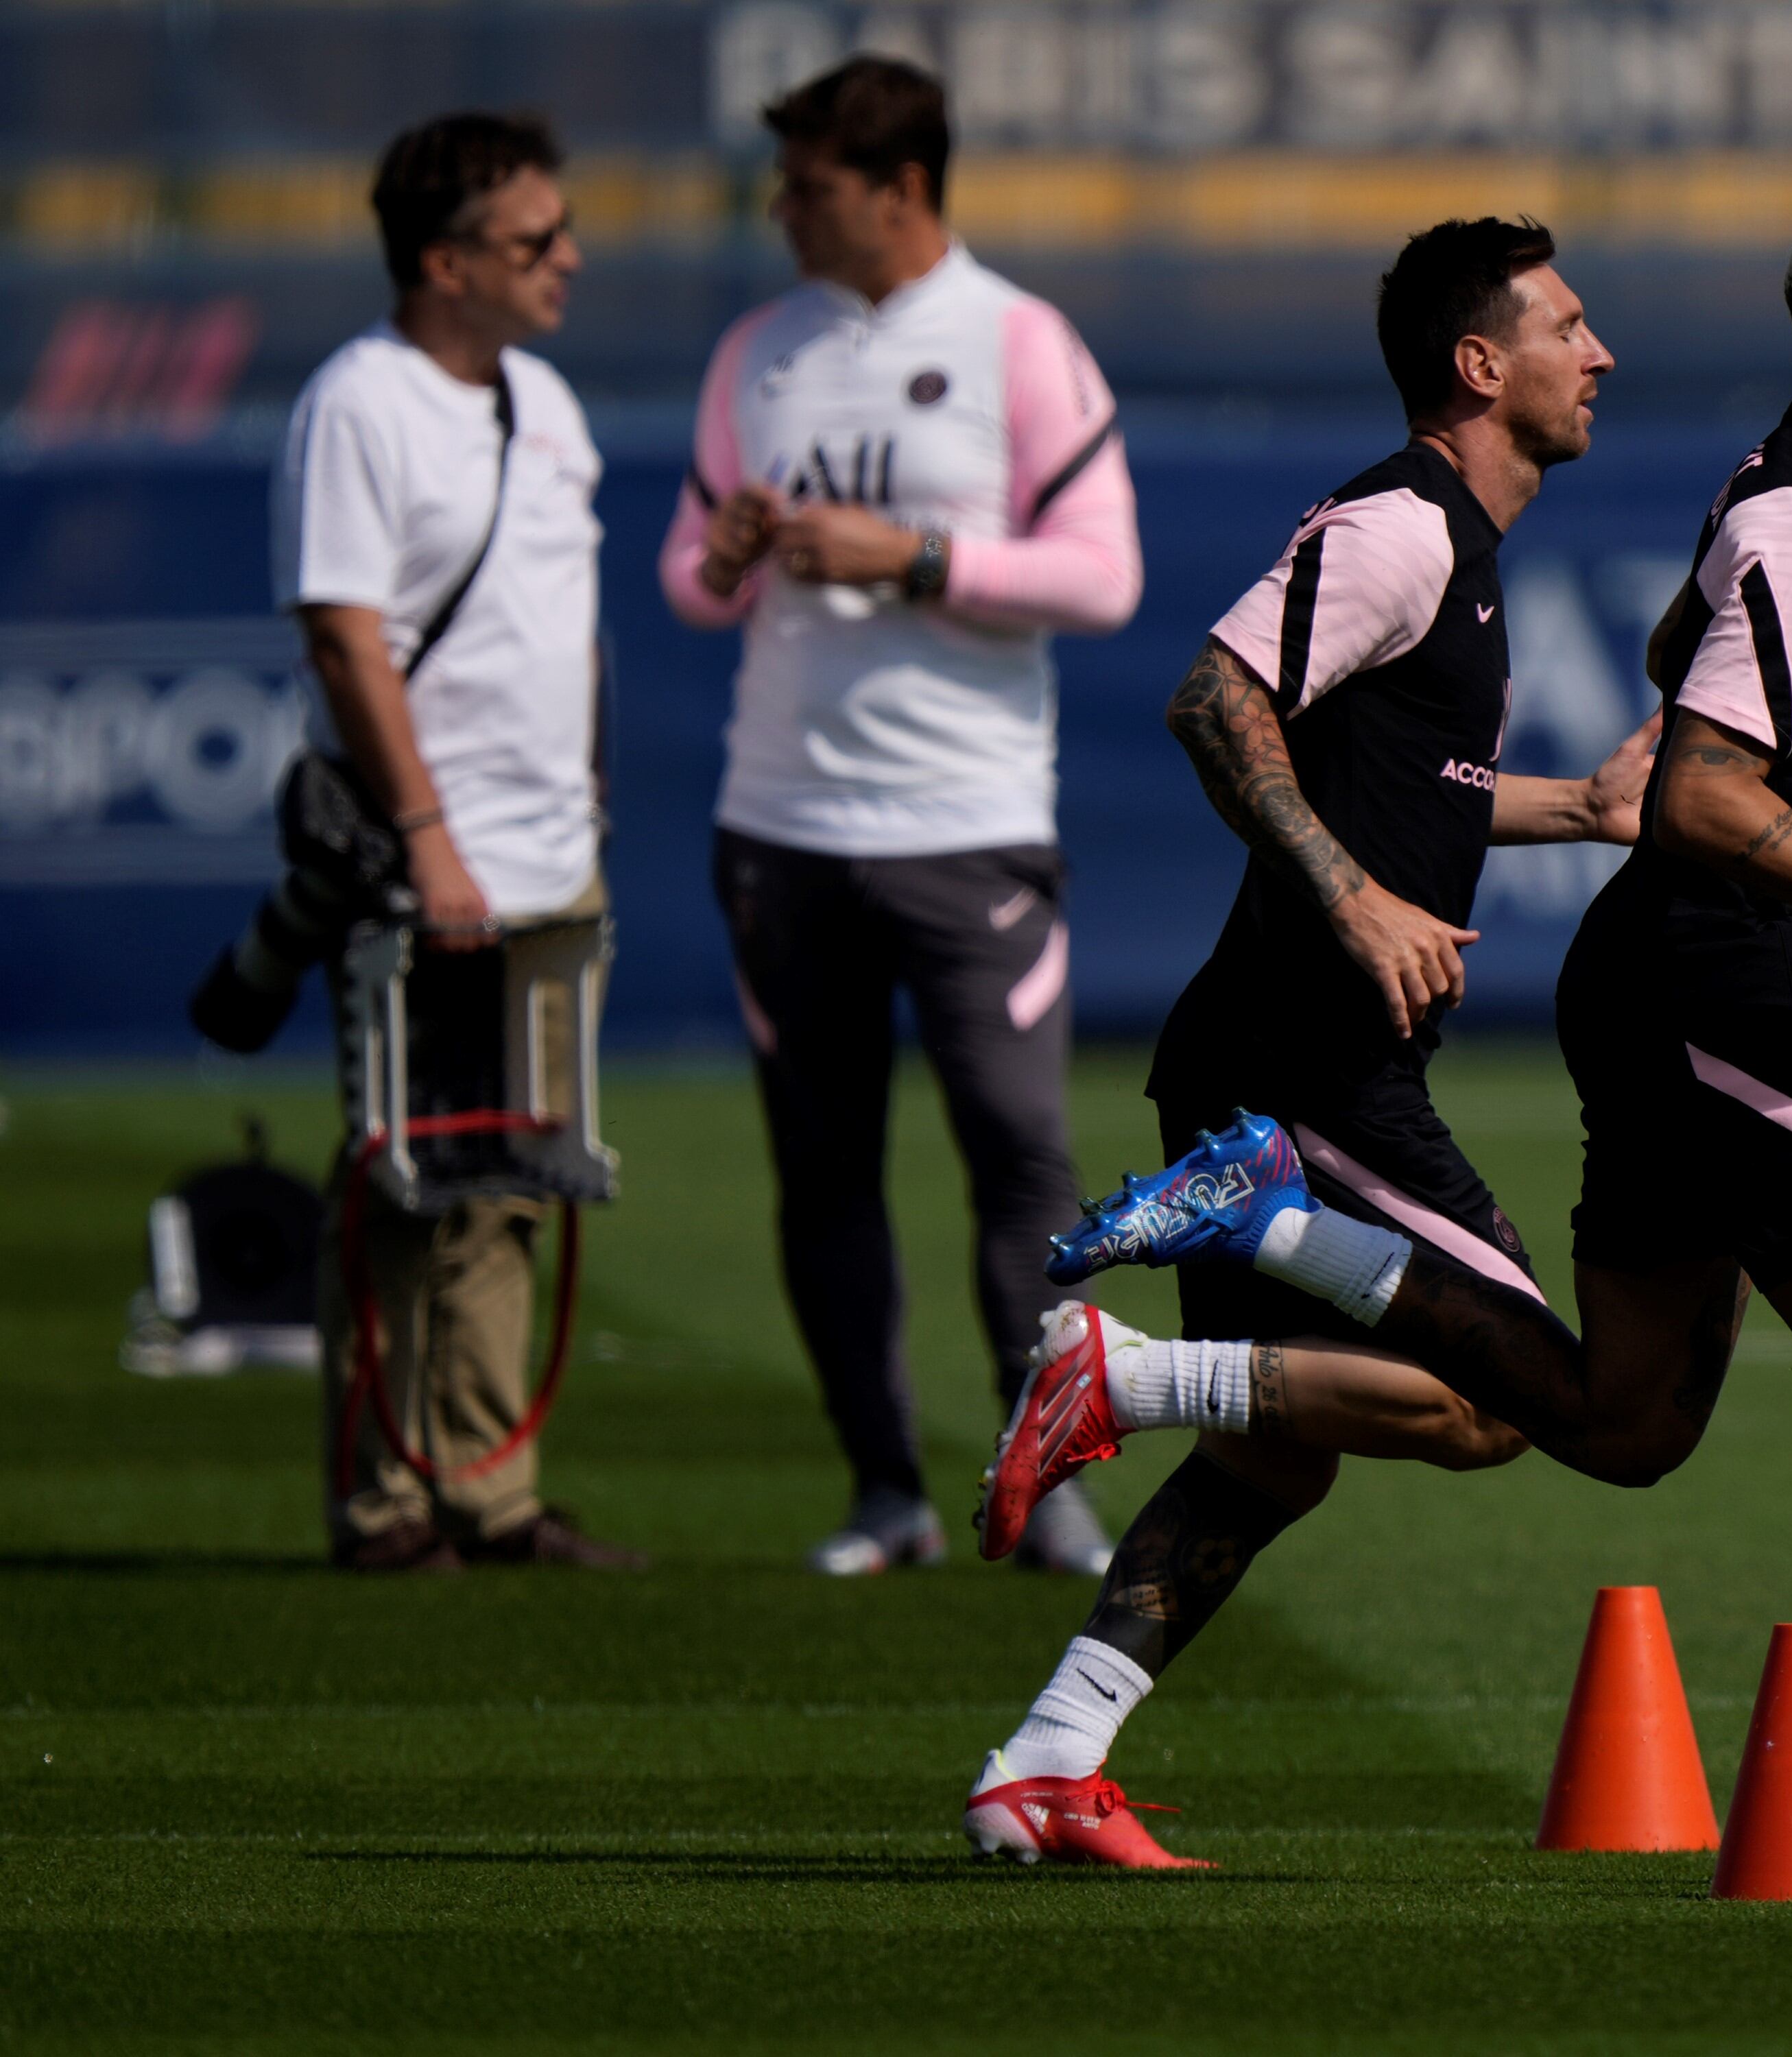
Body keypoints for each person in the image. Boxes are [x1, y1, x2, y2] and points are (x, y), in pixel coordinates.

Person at [1031, 193, 1792, 1881]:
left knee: (1610, 1421)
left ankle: (1051, 1749)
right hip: (1583, 1006)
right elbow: (1689, 788)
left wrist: (1590, 804)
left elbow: (1668, 690)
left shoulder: (1764, 502)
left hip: (1651, 986)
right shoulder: (1503, 524)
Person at [960, 217, 1651, 1867]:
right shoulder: (1403, 525)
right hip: (1301, 1066)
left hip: (1284, 1061)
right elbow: (1214, 697)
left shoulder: (1459, 552)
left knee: (1274, 1462)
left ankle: (1043, 1765)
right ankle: (1122, 1366)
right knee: (1518, 1396)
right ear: (1483, 366)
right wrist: (1348, 900)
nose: (1600, 352)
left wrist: (1584, 811)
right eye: (1569, 324)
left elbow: (1410, 796)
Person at [656, 57, 1141, 1577]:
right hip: (783, 823)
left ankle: (1045, 1483)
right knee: (823, 1165)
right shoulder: (758, 350)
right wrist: (728, 551)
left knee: (1019, 1152)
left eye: (810, 186)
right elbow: (687, 578)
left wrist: (915, 557)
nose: (784, 212)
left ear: (903, 188)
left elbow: (1102, 578)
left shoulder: (1019, 340)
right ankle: (886, 1492)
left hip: (967, 820)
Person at [276, 112, 641, 1571]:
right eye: (534, 240)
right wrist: (429, 838)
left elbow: (564, 626)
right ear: (442, 263)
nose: (569, 258)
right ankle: (386, 1500)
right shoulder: (359, 402)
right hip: (428, 856)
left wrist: (589, 787)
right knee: (402, 1179)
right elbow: (345, 635)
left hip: (553, 850)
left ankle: (490, 1489)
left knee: (516, 1180)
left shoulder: (546, 400)